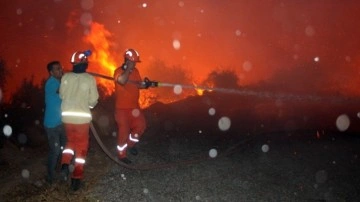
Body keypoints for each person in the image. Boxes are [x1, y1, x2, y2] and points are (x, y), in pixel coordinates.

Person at [59, 50, 99, 191]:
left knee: (70, 142)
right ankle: (76, 178)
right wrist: (87, 104)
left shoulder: (65, 77)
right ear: (85, 63)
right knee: (81, 148)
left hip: (67, 118)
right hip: (82, 119)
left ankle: (64, 164)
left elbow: (62, 95)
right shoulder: (89, 79)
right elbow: (93, 100)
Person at [113, 48, 158, 164]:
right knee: (124, 132)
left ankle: (130, 144)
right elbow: (122, 81)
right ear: (127, 61)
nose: (135, 64)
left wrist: (147, 84)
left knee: (141, 126)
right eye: (133, 62)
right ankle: (121, 154)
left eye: (135, 62)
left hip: (134, 108)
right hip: (121, 109)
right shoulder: (118, 71)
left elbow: (139, 85)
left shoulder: (136, 72)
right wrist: (128, 68)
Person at [43, 61, 66, 184]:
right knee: (56, 150)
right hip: (51, 125)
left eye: (60, 68)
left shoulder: (59, 81)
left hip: (61, 123)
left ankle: (63, 171)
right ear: (51, 73)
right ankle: (50, 177)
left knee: (65, 149)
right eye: (57, 69)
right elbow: (63, 90)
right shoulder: (51, 83)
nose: (60, 70)